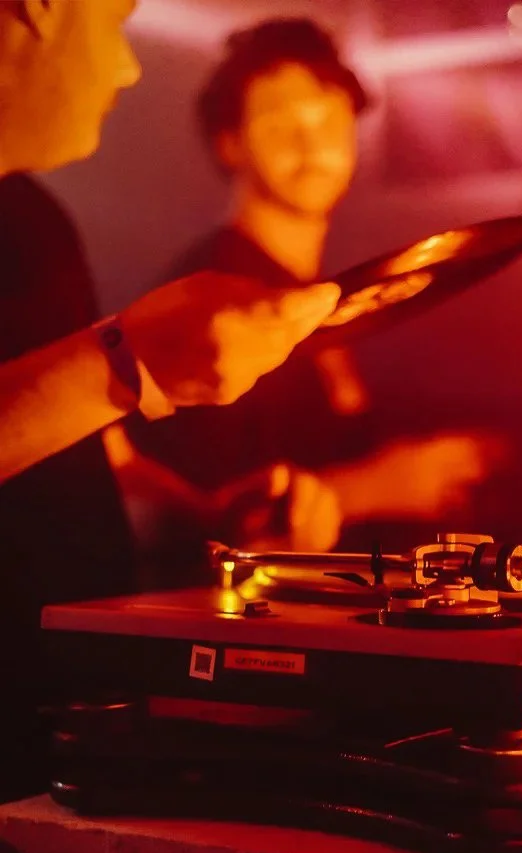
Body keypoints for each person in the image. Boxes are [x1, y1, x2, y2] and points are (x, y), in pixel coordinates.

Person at [0, 0, 338, 791]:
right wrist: (127, 361)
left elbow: (96, 461)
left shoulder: (39, 222)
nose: (131, 65)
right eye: (115, 20)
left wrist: (213, 515)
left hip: (65, 738)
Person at [119, 18, 502, 582]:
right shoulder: (213, 290)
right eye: (280, 124)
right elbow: (189, 519)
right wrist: (375, 488)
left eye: (330, 117)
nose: (313, 142)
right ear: (230, 144)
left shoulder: (328, 290)